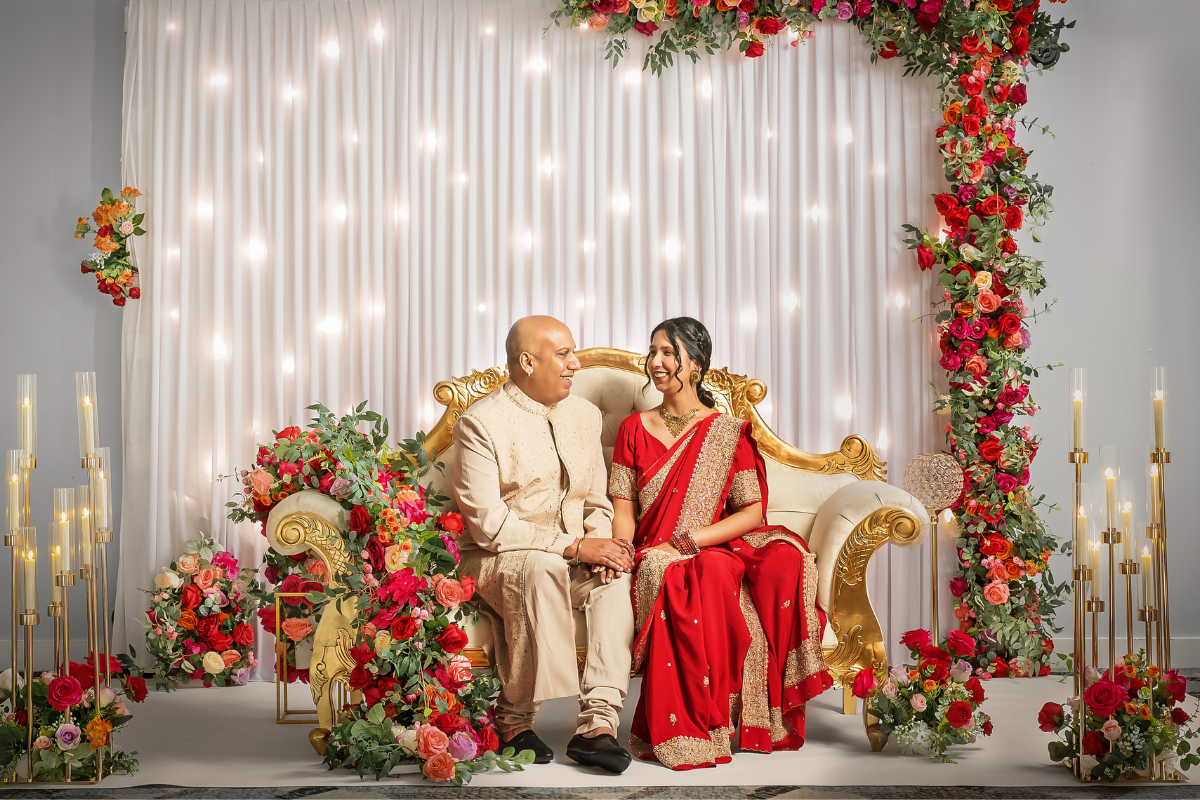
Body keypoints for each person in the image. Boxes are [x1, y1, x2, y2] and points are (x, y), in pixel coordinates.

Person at [608, 317, 833, 770]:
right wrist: (621, 553)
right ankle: (692, 727)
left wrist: (688, 542)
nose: (657, 362)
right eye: (653, 352)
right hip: (655, 550)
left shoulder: (727, 431)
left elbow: (750, 513)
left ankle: (717, 723)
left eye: (668, 353)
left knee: (726, 567)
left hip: (709, 546)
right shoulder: (633, 428)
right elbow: (624, 510)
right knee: (671, 573)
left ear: (696, 363)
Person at [451, 315, 636, 774]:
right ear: (527, 362)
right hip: (496, 559)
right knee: (540, 567)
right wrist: (574, 549)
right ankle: (514, 721)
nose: (576, 364)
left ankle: (597, 727)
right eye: (565, 354)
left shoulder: (584, 415)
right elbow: (489, 526)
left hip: (571, 554)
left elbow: (597, 504)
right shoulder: (481, 423)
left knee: (613, 583)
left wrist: (602, 548)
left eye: (574, 352)